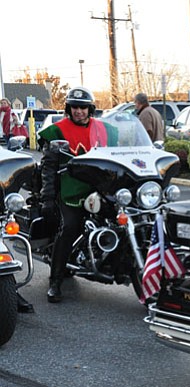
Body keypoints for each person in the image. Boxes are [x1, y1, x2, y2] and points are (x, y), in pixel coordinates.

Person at [38, 87, 118, 303]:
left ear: (90, 109)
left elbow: (117, 156)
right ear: (69, 109)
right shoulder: (57, 131)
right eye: (75, 107)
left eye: (83, 107)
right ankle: (55, 282)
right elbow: (48, 167)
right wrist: (47, 197)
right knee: (70, 227)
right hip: (70, 190)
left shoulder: (105, 129)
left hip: (99, 188)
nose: (79, 111)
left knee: (122, 219)